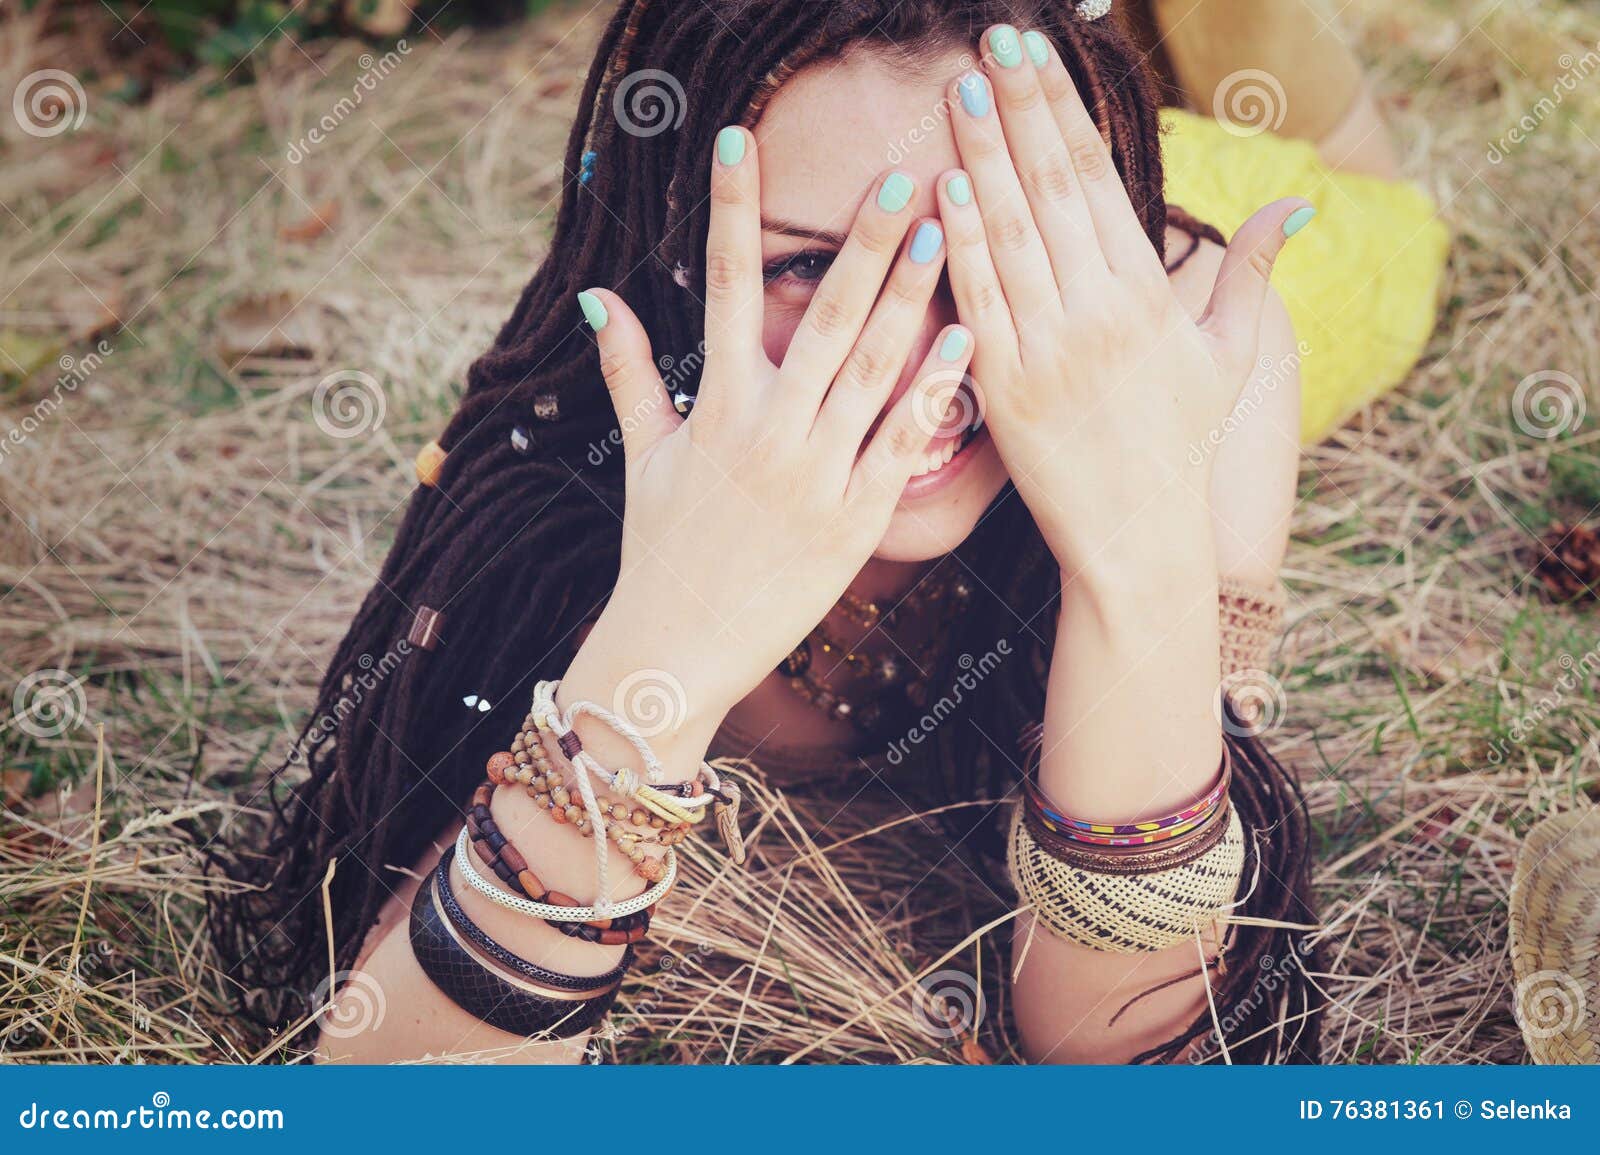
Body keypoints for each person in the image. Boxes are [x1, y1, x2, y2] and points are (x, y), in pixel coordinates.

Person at [213, 0, 1325, 1065]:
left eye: (998, 255)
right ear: (676, 262)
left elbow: (1117, 1056)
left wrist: (1136, 558)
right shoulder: (581, 475)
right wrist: (669, 633)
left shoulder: (1197, 356)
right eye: (805, 266)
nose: (915, 362)